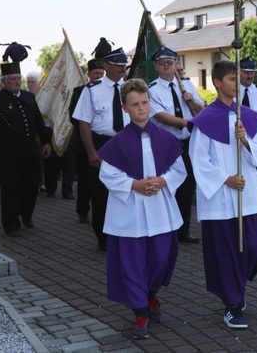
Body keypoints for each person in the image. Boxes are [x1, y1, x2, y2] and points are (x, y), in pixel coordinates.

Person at [97, 78, 186, 340]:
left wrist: (163, 180)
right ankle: (140, 311)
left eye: (145, 102)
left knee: (160, 258)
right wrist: (132, 184)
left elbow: (179, 169)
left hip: (159, 207)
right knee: (132, 262)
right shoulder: (117, 142)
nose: (141, 108)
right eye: (135, 104)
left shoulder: (165, 138)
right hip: (130, 212)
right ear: (125, 108)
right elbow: (108, 174)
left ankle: (150, 295)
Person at [188, 60, 257, 329]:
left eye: (238, 79)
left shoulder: (248, 115)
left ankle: (237, 287)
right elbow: (198, 159)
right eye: (232, 79)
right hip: (221, 198)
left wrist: (245, 139)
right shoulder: (205, 120)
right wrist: (225, 179)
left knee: (254, 247)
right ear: (217, 83)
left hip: (248, 196)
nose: (237, 83)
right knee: (226, 253)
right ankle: (233, 304)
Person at [0, 54, 51, 236]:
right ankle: (11, 224)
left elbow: (38, 123)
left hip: (30, 152)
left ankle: (26, 215)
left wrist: (46, 141)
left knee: (32, 186)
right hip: (7, 154)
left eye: (19, 78)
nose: (17, 81)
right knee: (10, 189)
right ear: (4, 81)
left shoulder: (28, 97)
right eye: (13, 79)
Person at [72, 47, 130, 251]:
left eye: (124, 65)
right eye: (118, 65)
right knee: (101, 194)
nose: (122, 68)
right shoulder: (92, 90)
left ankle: (124, 233)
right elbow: (84, 123)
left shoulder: (131, 89)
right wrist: (91, 152)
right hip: (102, 144)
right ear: (107, 67)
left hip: (126, 144)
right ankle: (103, 237)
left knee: (126, 190)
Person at [148, 46, 205, 244]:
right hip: (166, 143)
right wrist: (188, 122)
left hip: (188, 142)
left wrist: (191, 101)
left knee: (187, 186)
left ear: (175, 65)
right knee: (166, 185)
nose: (166, 65)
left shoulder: (187, 85)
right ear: (156, 66)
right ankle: (164, 227)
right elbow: (160, 116)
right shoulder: (152, 90)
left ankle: (183, 230)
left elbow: (202, 109)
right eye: (162, 62)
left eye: (170, 62)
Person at [69, 57, 105, 223]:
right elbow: (74, 117)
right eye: (95, 73)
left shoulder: (107, 90)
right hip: (84, 145)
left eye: (101, 73)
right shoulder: (80, 91)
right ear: (88, 74)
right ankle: (82, 210)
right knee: (84, 180)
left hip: (102, 142)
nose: (98, 75)